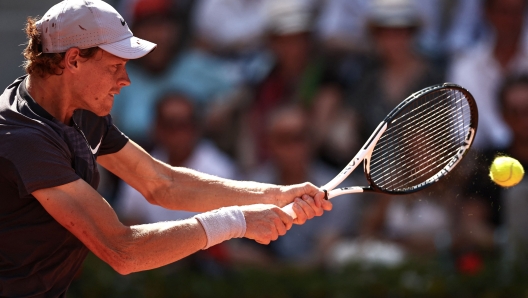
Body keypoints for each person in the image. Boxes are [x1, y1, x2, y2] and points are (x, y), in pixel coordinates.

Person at [0, 1, 331, 296]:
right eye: (115, 66)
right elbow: (123, 250)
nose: (125, 79)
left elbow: (161, 183)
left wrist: (275, 195)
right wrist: (236, 222)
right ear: (73, 60)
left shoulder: (74, 106)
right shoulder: (23, 138)